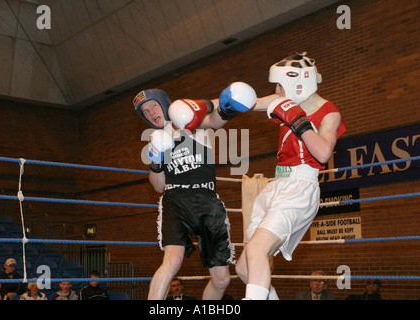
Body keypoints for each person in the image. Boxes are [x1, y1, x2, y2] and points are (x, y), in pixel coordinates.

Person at [235, 52, 347, 300]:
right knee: (244, 268)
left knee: (256, 251)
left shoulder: (329, 113)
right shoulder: (282, 100)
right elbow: (250, 102)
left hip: (300, 186)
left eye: (279, 85)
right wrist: (209, 106)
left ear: (299, 82)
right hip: (277, 186)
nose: (276, 91)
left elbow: (323, 153)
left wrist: (299, 121)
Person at [134, 82, 257, 300]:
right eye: (145, 112)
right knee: (172, 262)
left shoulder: (194, 121)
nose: (150, 113)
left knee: (222, 280)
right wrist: (155, 162)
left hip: (207, 199)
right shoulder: (155, 139)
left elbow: (216, 119)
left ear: (164, 104)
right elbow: (158, 185)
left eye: (152, 106)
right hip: (175, 199)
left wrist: (227, 105)